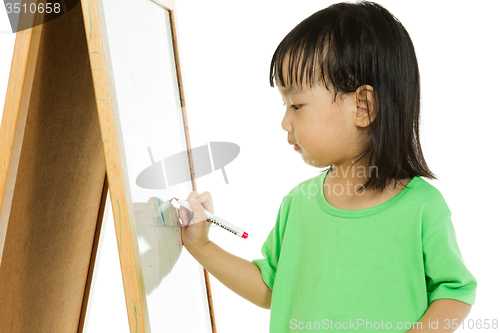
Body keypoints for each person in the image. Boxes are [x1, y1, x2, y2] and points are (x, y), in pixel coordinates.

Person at [177, 1, 477, 332]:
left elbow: (456, 291)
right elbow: (272, 287)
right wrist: (200, 245)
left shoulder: (422, 208)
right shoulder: (299, 202)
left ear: (362, 107)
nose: (285, 122)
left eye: (296, 104)